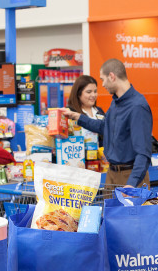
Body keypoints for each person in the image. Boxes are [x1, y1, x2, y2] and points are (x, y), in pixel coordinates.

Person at [62, 59, 152, 187]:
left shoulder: (137, 106)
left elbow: (143, 152)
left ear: (112, 76)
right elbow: (105, 127)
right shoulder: (116, 103)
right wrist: (78, 117)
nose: (103, 84)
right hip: (111, 174)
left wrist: (132, 184)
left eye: (103, 79)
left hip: (130, 177)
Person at [67, 75, 105, 146]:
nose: (93, 95)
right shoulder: (70, 112)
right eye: (89, 92)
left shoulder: (99, 111)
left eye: (95, 91)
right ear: (78, 93)